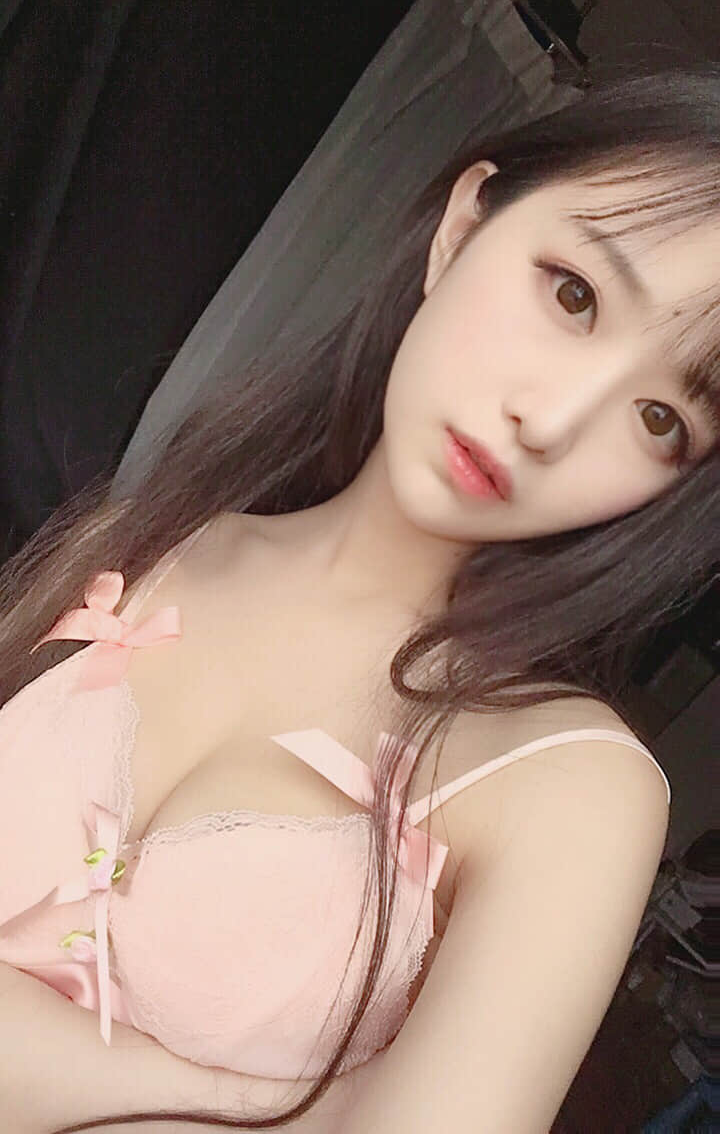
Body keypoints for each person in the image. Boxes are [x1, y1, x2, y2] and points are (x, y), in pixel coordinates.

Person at [0, 65, 718, 1133]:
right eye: (573, 293)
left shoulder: (572, 784)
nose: (552, 420)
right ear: (462, 229)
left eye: (662, 419)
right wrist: (237, 1105)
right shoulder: (159, 534)